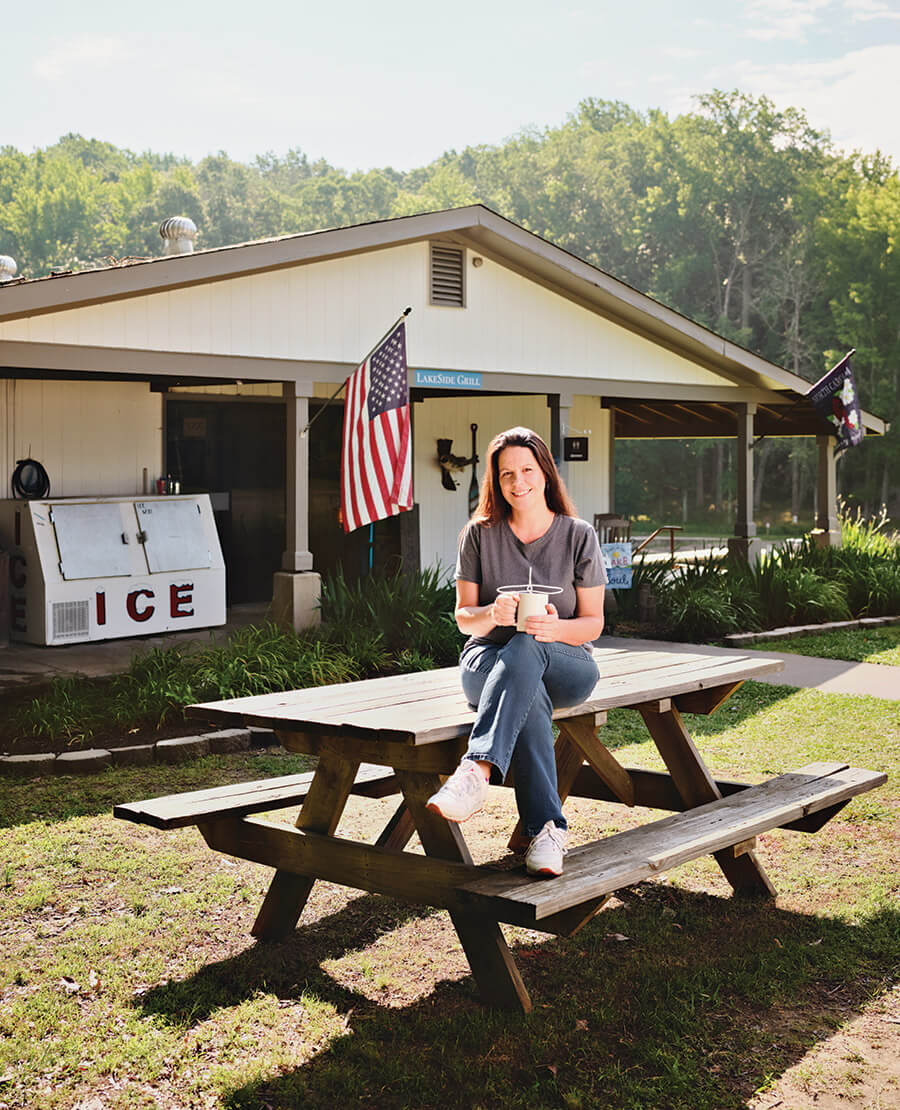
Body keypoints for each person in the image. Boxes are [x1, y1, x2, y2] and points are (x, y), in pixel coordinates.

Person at [426, 426, 607, 877]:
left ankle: (476, 770)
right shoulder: (478, 535)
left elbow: (594, 624)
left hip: (567, 660)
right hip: (487, 662)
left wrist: (556, 628)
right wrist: (493, 613)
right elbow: (464, 618)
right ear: (496, 481)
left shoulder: (579, 535)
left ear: (545, 473)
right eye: (506, 473)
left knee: (530, 644)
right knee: (528, 696)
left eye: (526, 469)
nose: (517, 481)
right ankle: (547, 831)